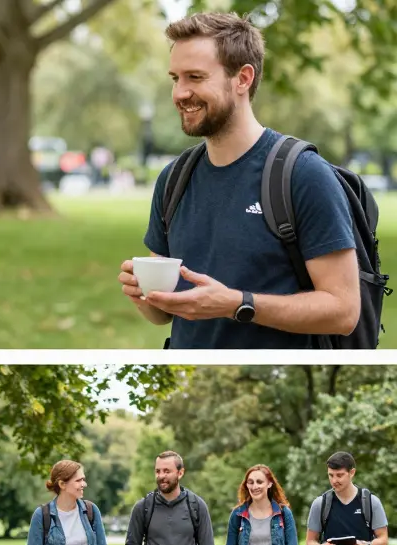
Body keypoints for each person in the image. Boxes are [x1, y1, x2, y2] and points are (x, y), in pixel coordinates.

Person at [117, 11, 360, 350]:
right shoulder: (173, 180)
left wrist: (236, 304)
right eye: (175, 78)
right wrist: (144, 295)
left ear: (243, 78)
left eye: (195, 77)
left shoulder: (303, 174)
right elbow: (162, 315)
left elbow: (343, 311)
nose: (180, 93)